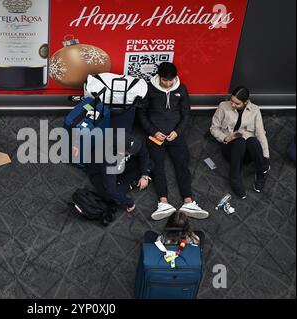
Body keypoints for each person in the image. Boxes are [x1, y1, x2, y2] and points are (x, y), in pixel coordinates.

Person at [138, 62, 209, 221]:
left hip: (175, 136)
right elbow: (141, 114)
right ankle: (163, 203)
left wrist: (177, 132)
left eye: (171, 80)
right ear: (159, 77)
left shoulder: (181, 89)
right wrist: (154, 131)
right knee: (157, 166)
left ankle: (189, 202)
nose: (168, 83)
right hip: (155, 136)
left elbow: (186, 115)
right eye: (165, 80)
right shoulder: (149, 89)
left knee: (182, 165)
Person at [210, 86, 270, 199]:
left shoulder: (255, 110)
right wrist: (225, 138)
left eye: (236, 103)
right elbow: (214, 128)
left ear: (246, 101)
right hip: (231, 149)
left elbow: (261, 134)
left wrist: (266, 156)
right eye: (231, 101)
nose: (232, 105)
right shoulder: (223, 106)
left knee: (252, 141)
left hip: (248, 152)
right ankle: (234, 177)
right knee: (240, 141)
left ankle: (261, 172)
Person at [86, 133, 152, 213]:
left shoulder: (134, 139)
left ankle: (124, 184)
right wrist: (129, 203)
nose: (134, 153)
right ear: (121, 152)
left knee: (150, 164)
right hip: (100, 172)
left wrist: (145, 175)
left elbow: (144, 154)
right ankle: (128, 185)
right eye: (131, 152)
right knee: (109, 196)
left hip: (120, 165)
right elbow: (111, 190)